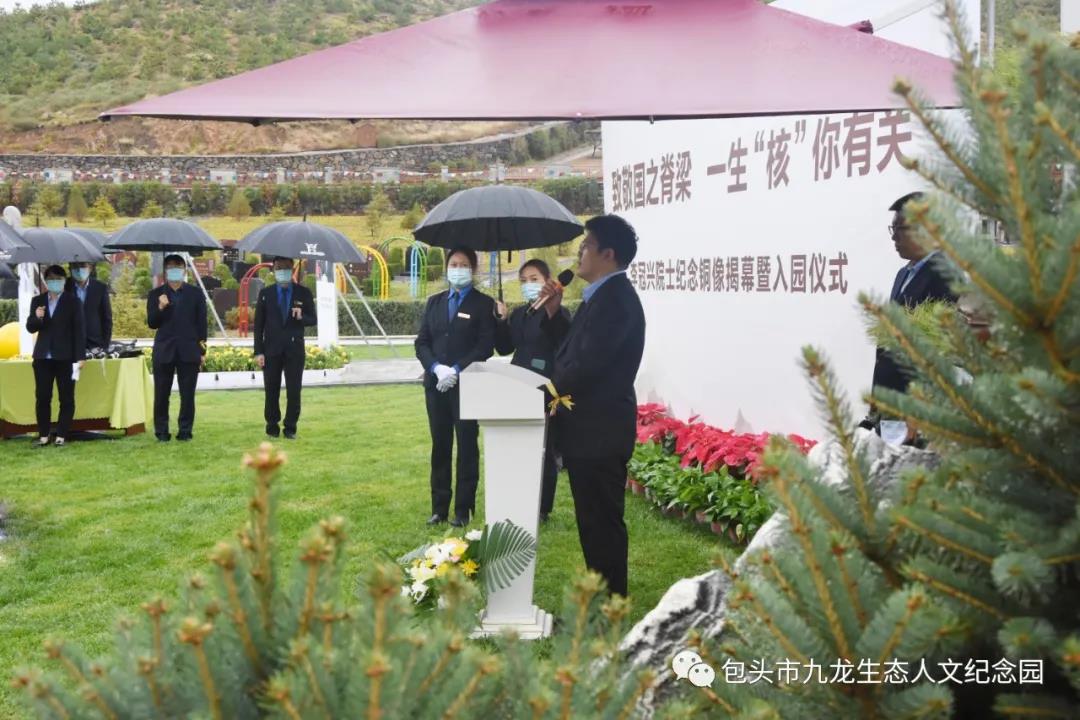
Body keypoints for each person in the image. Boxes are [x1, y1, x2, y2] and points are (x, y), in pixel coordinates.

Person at [537, 215, 645, 597]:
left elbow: (584, 366)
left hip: (600, 435)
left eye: (586, 246)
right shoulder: (599, 297)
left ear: (608, 254)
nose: (579, 253)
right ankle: (604, 602)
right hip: (588, 434)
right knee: (593, 525)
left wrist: (542, 392)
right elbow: (572, 351)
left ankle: (610, 607)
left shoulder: (616, 302)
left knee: (602, 527)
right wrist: (554, 313)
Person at [415, 246, 496, 527]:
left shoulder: (483, 304)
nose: (457, 269)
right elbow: (422, 342)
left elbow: (485, 346)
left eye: (463, 265)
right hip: (436, 386)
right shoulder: (435, 302)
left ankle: (463, 509)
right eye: (453, 264)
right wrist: (436, 368)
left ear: (472, 269)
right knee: (440, 445)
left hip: (467, 385)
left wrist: (457, 370)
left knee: (466, 446)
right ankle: (439, 508)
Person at [494, 258, 572, 522]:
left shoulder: (558, 313)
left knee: (544, 450)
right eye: (524, 281)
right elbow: (504, 348)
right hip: (518, 385)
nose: (528, 284)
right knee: (521, 446)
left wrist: (552, 309)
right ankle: (520, 497)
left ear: (548, 280)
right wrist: (502, 320)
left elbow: (563, 346)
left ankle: (542, 508)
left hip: (546, 389)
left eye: (534, 279)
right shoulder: (520, 314)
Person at [872, 192, 958, 395]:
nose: (894, 237)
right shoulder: (903, 274)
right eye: (892, 229)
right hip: (890, 394)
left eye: (899, 229)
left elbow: (938, 346)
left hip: (918, 398)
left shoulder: (945, 275)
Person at [253, 257, 317, 439]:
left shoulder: (303, 293)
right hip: (271, 350)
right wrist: (259, 351)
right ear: (274, 270)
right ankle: (272, 426)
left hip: (294, 350)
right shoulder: (266, 294)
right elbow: (258, 326)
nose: (283, 271)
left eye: (287, 268)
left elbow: (313, 319)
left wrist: (301, 317)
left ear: (292, 269)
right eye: (279, 268)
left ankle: (290, 427)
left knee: (294, 390)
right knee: (271, 390)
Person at [147, 254, 207, 442]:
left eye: (178, 266)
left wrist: (202, 351)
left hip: (189, 350)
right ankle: (162, 431)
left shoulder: (195, 294)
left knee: (187, 395)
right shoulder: (156, 294)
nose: (175, 270)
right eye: (171, 267)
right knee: (161, 394)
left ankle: (185, 431)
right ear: (165, 271)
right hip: (164, 350)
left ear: (184, 270)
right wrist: (160, 307)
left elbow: (202, 324)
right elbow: (152, 323)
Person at [26, 265, 86, 447]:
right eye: (51, 279)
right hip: (43, 357)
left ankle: (61, 435)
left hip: (66, 357)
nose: (55, 282)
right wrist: (37, 317)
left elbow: (79, 331)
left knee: (66, 398)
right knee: (43, 397)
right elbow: (30, 328)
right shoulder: (38, 301)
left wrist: (80, 357)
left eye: (58, 279)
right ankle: (44, 435)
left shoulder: (73, 301)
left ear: (64, 281)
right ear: (45, 281)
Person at [69, 261, 112, 351]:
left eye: (82, 265)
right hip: (69, 345)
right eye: (75, 266)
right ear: (70, 269)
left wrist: (105, 345)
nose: (79, 269)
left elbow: (106, 318)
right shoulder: (64, 288)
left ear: (90, 268)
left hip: (95, 344)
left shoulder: (100, 288)